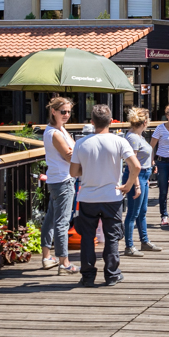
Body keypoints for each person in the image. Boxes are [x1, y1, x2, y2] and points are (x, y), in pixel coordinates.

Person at [68, 104, 139, 287]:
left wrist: (89, 167)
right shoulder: (119, 141)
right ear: (110, 122)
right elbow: (136, 166)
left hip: (88, 197)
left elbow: (74, 172)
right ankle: (112, 274)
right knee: (112, 237)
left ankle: (88, 276)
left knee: (87, 238)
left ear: (92, 123)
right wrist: (128, 185)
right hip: (112, 197)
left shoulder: (81, 143)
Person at [40, 96, 76, 273]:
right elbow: (69, 155)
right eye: (63, 112)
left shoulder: (59, 129)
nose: (67, 115)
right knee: (62, 222)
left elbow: (72, 150)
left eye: (69, 111)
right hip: (63, 181)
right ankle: (64, 262)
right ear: (53, 111)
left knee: (50, 218)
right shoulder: (55, 133)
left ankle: (47, 257)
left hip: (56, 179)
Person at [122, 109, 161, 257]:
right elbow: (132, 164)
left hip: (144, 175)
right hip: (136, 177)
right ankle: (129, 246)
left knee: (142, 212)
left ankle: (144, 241)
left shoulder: (139, 136)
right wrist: (136, 184)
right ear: (145, 122)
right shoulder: (132, 138)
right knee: (133, 213)